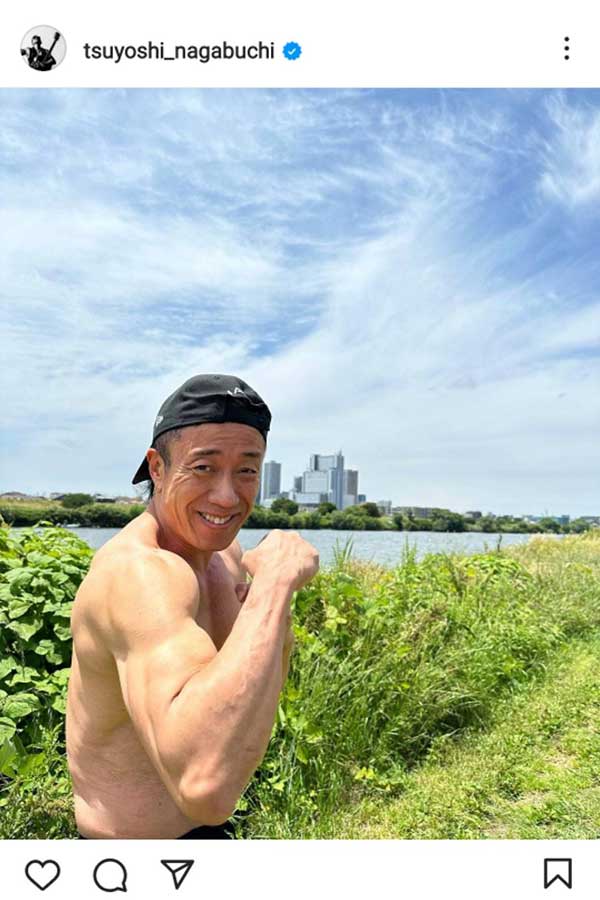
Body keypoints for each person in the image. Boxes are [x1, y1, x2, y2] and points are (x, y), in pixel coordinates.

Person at [65, 374, 319, 839]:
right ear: (157, 468)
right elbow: (204, 790)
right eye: (203, 467)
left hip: (208, 831)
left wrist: (269, 614)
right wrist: (275, 584)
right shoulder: (139, 575)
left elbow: (250, 699)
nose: (227, 496)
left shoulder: (225, 556)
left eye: (247, 471)